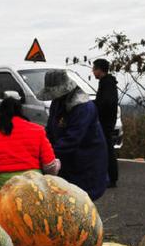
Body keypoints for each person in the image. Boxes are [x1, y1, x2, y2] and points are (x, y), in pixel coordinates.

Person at [40, 70, 108, 200]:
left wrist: (46, 156)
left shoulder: (83, 107)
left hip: (86, 161)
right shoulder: (58, 102)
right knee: (66, 199)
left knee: (81, 201)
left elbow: (71, 140)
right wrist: (42, 145)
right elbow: (50, 129)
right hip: (67, 161)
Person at [0, 97, 60, 190]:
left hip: (4, 186)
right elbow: (50, 165)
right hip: (34, 185)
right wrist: (56, 166)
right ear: (21, 111)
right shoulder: (37, 130)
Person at [92, 58, 119, 188]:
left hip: (105, 122)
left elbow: (106, 102)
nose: (93, 72)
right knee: (104, 148)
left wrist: (94, 106)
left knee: (107, 149)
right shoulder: (107, 82)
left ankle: (112, 178)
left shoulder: (107, 83)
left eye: (94, 69)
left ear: (99, 70)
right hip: (107, 120)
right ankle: (107, 176)